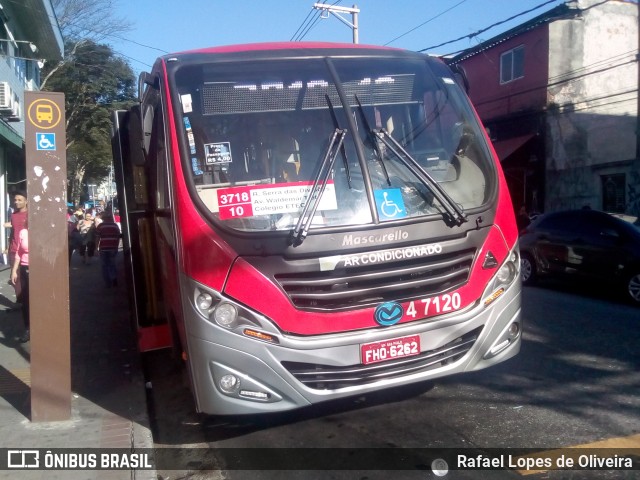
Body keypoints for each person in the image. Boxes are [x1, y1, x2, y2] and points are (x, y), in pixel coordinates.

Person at [4, 190, 28, 302]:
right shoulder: (13, 215)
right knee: (14, 277)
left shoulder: (30, 214)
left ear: (26, 201)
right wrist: (8, 248)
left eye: (19, 200)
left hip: (26, 251)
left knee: (25, 277)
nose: (16, 202)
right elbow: (13, 232)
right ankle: (20, 301)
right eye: (15, 200)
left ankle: (25, 301)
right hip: (13, 250)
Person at [10, 219, 29, 343]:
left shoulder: (44, 232)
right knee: (25, 299)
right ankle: (28, 328)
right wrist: (14, 270)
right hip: (24, 268)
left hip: (41, 270)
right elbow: (18, 252)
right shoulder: (23, 232)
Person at [95, 213, 121, 287]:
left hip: (103, 248)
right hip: (113, 248)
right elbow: (118, 237)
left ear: (103, 219)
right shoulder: (115, 226)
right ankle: (114, 278)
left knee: (104, 265)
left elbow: (97, 238)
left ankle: (108, 282)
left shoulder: (100, 226)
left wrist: (96, 248)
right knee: (112, 264)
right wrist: (116, 246)